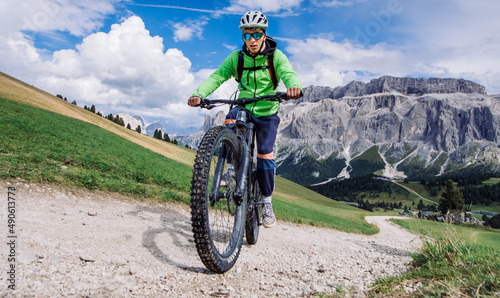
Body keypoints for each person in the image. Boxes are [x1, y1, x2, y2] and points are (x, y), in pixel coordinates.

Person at [188, 11, 302, 228]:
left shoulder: (275, 56)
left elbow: (288, 73)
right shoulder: (237, 57)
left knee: (265, 153)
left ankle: (266, 201)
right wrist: (199, 94)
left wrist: (293, 87)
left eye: (256, 35)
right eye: (247, 36)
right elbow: (218, 76)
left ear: (264, 35)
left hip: (268, 110)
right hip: (244, 106)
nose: (252, 40)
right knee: (229, 122)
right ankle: (230, 170)